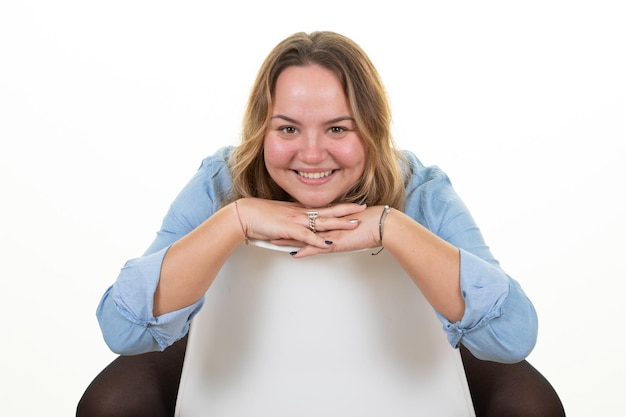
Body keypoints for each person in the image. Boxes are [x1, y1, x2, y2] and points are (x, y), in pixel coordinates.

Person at [77, 31, 565, 416]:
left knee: (531, 402)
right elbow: (123, 328)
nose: (312, 154)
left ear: (370, 130)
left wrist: (391, 227)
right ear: (261, 130)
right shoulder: (222, 182)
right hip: (238, 365)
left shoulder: (418, 187)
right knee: (112, 400)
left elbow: (513, 336)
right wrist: (236, 219)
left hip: (401, 368)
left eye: (337, 128)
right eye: (287, 128)